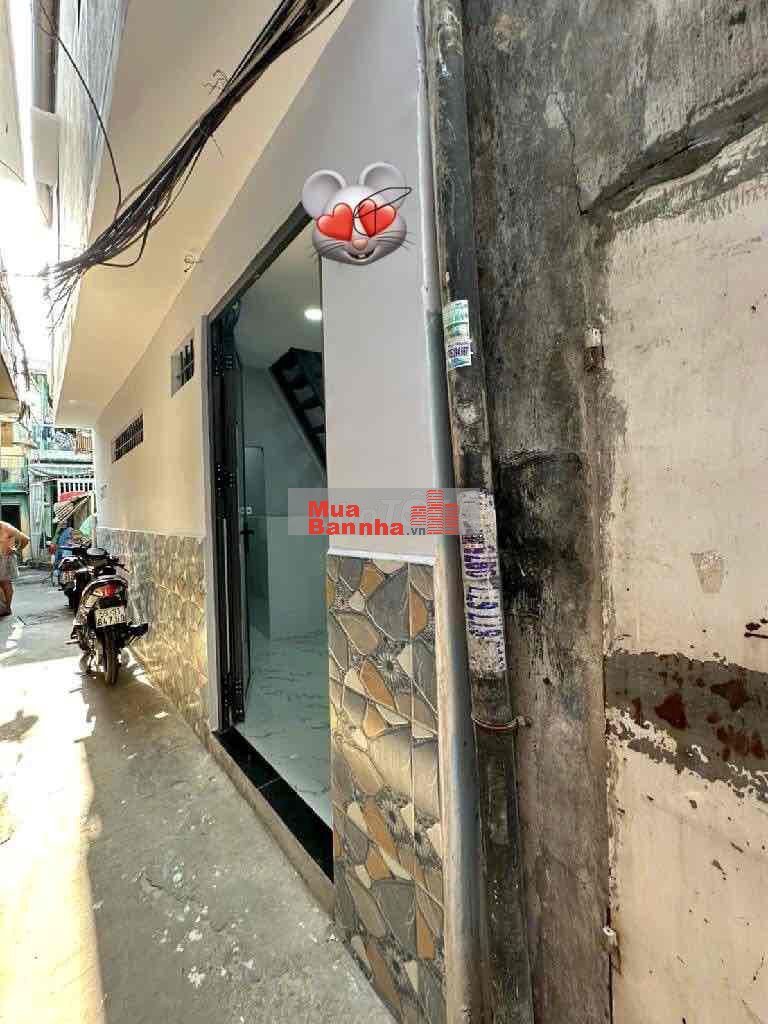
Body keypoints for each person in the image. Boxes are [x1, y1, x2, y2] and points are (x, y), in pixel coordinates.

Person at [0, 520, 30, 617]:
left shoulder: (7, 527)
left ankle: (7, 608)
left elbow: (25, 539)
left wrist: (16, 549)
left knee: (5, 583)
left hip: (6, 559)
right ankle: (3, 607)